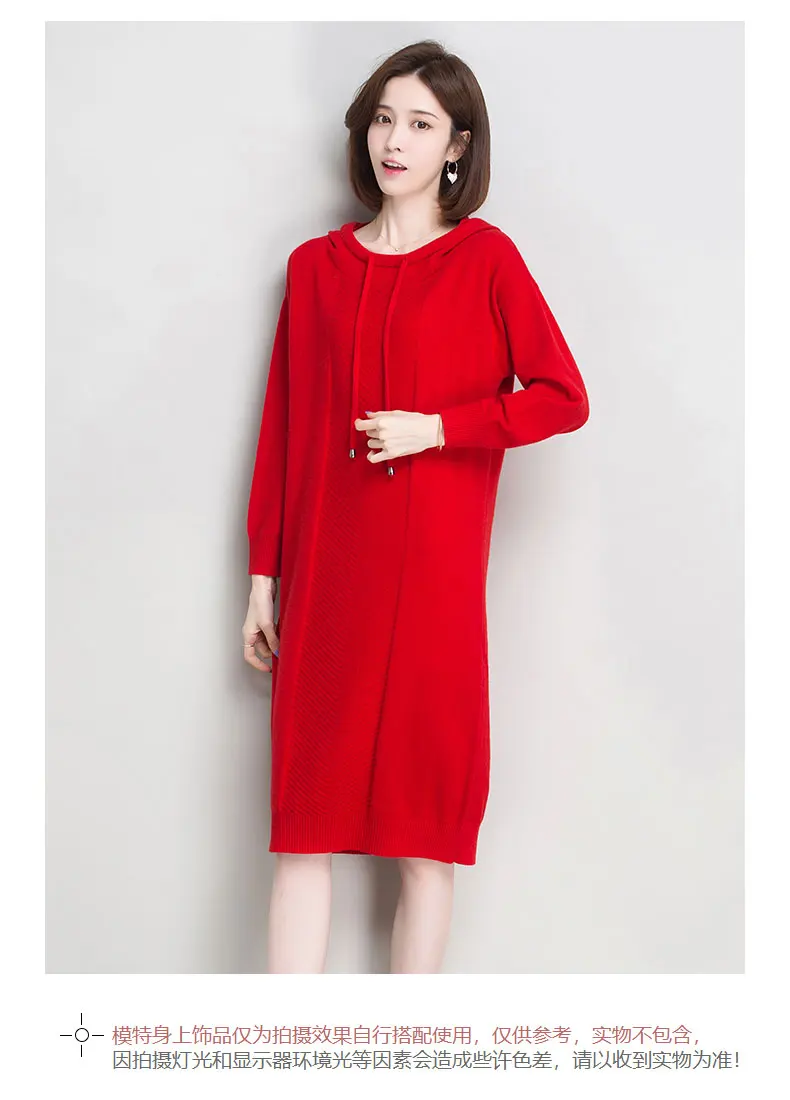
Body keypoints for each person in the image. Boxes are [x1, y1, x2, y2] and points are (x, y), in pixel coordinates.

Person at [241, 39, 590, 974]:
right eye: (383, 120)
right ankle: (281, 1047)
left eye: (421, 124)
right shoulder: (314, 268)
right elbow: (284, 428)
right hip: (328, 585)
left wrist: (440, 428)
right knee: (303, 831)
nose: (395, 141)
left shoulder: (486, 259)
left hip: (433, 595)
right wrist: (263, 576)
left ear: (457, 147)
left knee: (425, 841)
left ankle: (408, 1047)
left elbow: (563, 396)